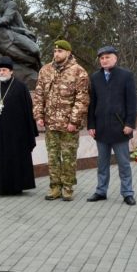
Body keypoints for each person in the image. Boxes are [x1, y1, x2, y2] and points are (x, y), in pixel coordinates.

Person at [33, 39, 90, 201]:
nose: (56, 54)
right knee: (52, 156)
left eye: (60, 51)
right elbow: (38, 95)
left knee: (69, 157)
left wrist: (74, 121)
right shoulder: (45, 70)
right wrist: (39, 116)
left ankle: (67, 187)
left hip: (68, 125)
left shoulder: (79, 72)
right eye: (55, 51)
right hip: (51, 123)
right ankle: (55, 187)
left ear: (68, 53)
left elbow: (82, 99)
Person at [86, 46, 137, 206]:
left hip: (120, 127)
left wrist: (130, 123)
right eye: (101, 58)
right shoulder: (95, 77)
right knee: (102, 163)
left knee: (123, 163)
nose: (104, 60)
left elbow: (132, 102)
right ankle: (101, 191)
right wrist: (91, 125)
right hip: (101, 128)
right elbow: (92, 103)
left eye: (107, 57)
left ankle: (127, 193)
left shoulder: (126, 76)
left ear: (115, 58)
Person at [0, 56, 38, 195]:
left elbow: (28, 112)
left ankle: (16, 187)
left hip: (16, 135)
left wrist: (29, 132)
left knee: (14, 161)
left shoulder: (21, 87)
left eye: (4, 70)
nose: (1, 72)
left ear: (11, 72)